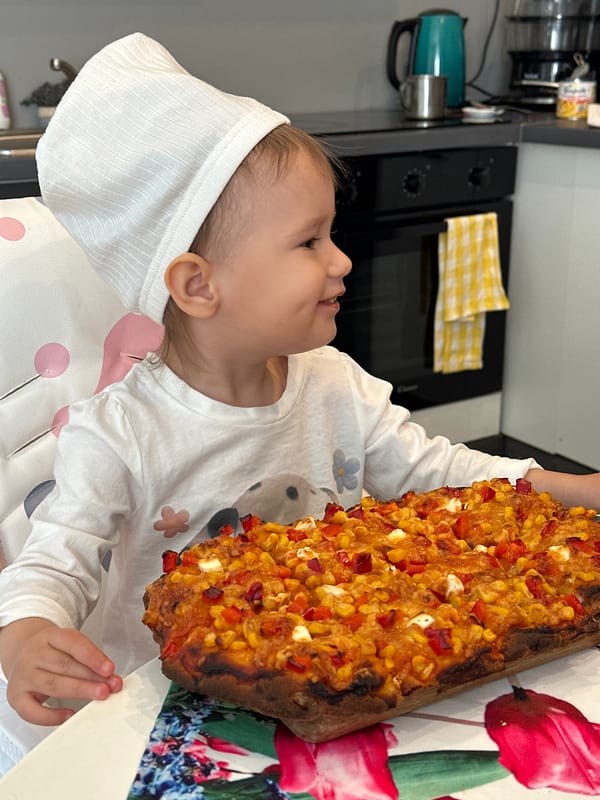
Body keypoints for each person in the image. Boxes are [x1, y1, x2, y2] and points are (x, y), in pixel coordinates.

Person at [1, 32, 599, 754]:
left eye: (332, 235)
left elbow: (438, 472)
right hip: (171, 716)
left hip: (339, 686)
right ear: (199, 285)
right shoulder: (121, 433)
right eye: (309, 241)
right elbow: (54, 559)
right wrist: (27, 631)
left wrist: (566, 487)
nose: (342, 260)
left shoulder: (333, 384)